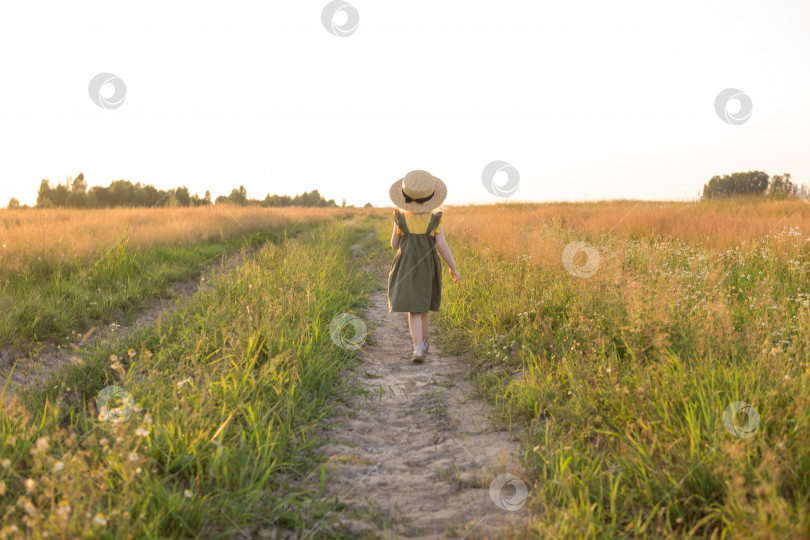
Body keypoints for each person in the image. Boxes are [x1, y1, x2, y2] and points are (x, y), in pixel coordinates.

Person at [387, 170, 461, 363]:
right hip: (427, 267)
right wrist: (453, 268)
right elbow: (442, 246)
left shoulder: (400, 218)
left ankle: (418, 346)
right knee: (424, 306)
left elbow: (394, 245)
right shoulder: (435, 219)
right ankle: (422, 343)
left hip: (407, 265)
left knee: (413, 309)